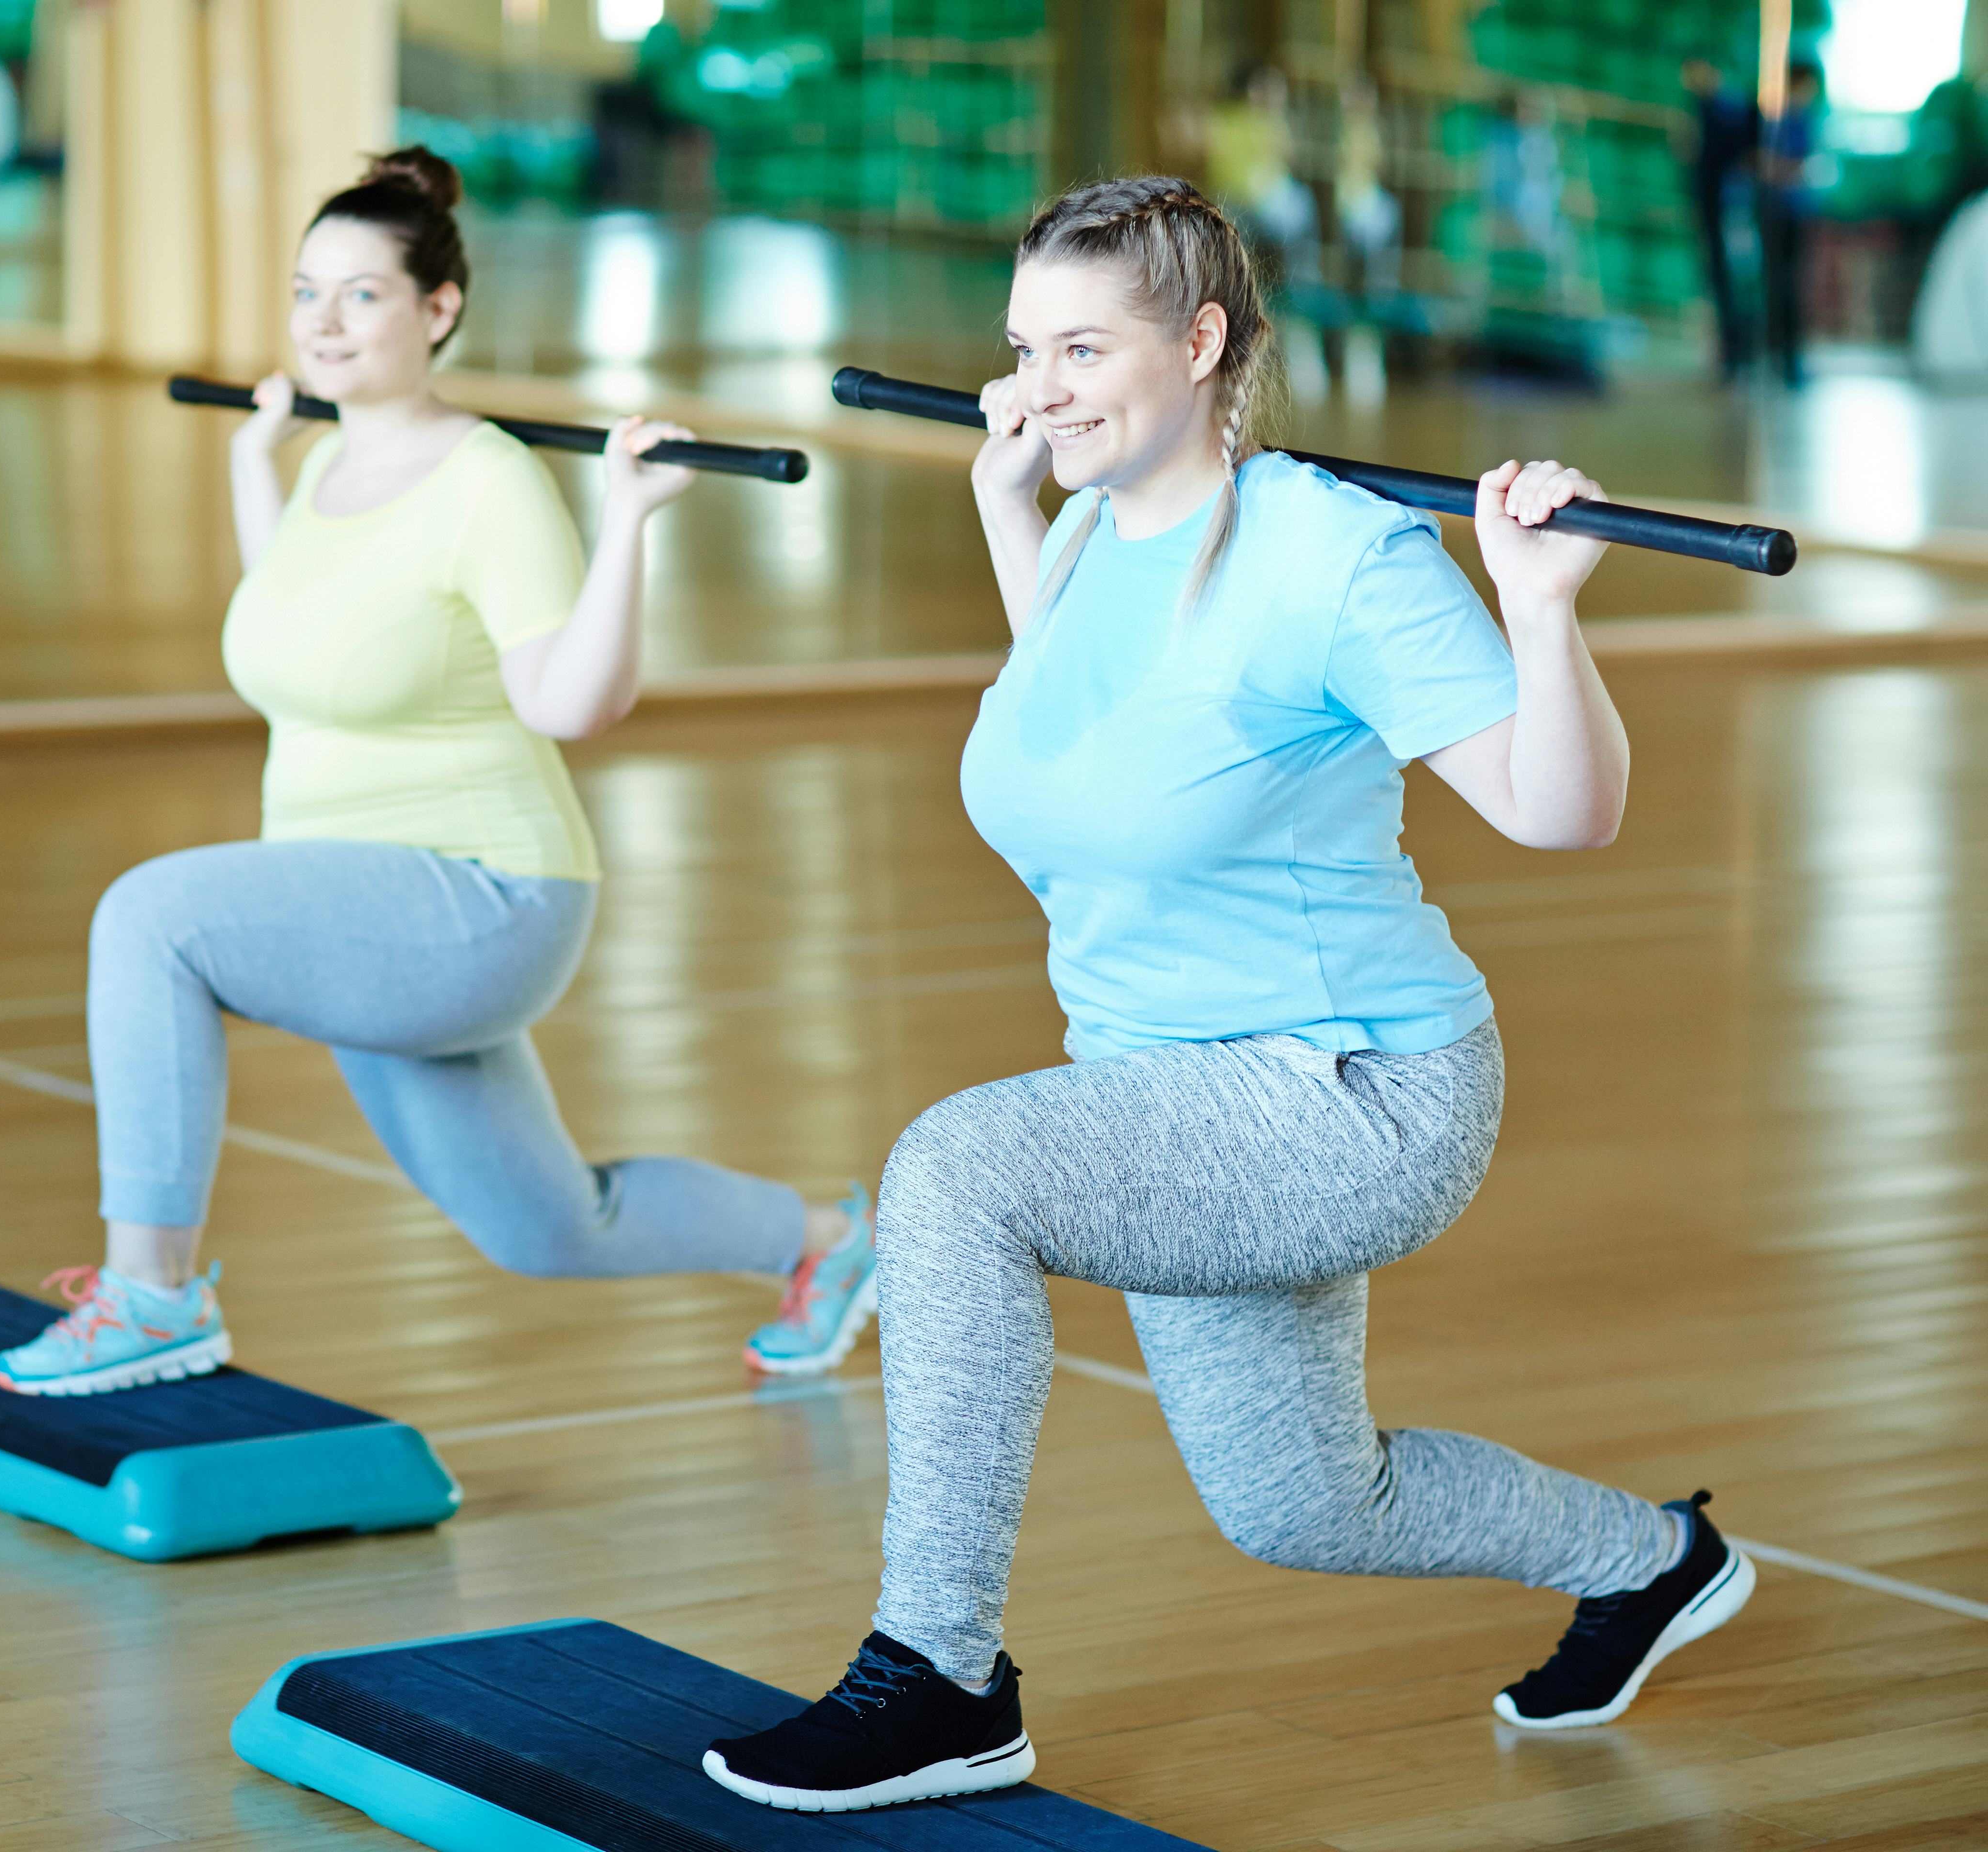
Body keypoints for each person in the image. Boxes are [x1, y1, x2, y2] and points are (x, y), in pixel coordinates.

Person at [700, 177, 1751, 1814]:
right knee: (1303, 1505)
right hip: (1168, 1091)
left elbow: (1564, 812)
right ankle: (1657, 1559)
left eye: (1084, 347)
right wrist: (1004, 502)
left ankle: (943, 1676)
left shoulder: (1341, 557)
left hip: (1350, 1093)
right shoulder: (1089, 525)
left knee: (955, 1173)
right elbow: (1099, 737)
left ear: (1199, 341)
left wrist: (1538, 616)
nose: (1043, 385)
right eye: (1024, 348)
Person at [0, 147, 875, 1396]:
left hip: (482, 895)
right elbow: (296, 638)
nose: (324, 322)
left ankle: (154, 1295)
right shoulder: (321, 467)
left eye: (363, 295)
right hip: (375, 909)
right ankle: (833, 1244)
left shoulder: (490, 483)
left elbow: (574, 702)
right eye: (307, 292)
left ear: (437, 310)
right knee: (550, 1228)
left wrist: (627, 522)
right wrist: (253, 470)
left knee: (150, 921)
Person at [1683, 57, 1758, 377]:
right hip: (1710, 209)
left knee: (1735, 281)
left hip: (1730, 208)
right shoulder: (1697, 110)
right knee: (1718, 282)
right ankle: (1729, 353)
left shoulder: (1727, 111)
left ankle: (1741, 353)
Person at [1758, 61, 1826, 387]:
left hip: (1792, 213)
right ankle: (1783, 359)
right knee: (1782, 286)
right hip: (1779, 214)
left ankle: (1789, 359)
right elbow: (1776, 167)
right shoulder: (1783, 121)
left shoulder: (1798, 121)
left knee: (1790, 287)